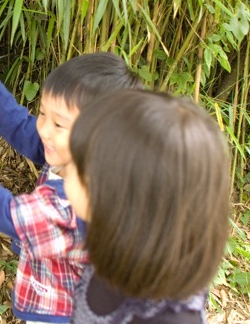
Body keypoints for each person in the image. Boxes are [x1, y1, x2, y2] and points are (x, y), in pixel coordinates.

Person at [0, 27, 143, 323]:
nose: (43, 128)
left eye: (59, 124)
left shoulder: (74, 206)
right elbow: (23, 128)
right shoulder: (79, 157)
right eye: (43, 112)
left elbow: (1, 212)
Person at [62, 89, 231, 324]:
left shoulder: (171, 319)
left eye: (78, 167)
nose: (64, 169)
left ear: (119, 200)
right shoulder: (112, 231)